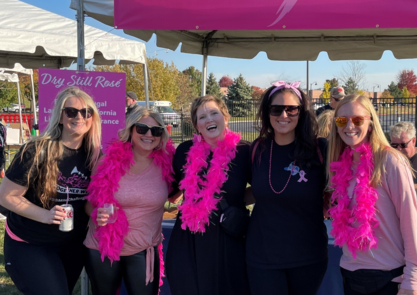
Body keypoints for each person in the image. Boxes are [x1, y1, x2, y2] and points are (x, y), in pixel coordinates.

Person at [0, 86, 101, 295]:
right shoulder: (36, 150)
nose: (79, 117)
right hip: (30, 242)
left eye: (86, 112)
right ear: (61, 117)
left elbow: (90, 202)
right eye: (71, 111)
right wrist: (46, 215)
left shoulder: (95, 156)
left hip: (72, 245)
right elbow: (6, 196)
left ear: (93, 117)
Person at [328, 94, 417, 295]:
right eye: (341, 120)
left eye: (357, 120)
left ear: (370, 124)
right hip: (350, 272)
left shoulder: (390, 161)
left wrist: (412, 279)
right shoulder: (341, 164)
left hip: (387, 276)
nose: (349, 126)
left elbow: (410, 220)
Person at [246, 81, 328, 295]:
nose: (284, 115)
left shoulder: (320, 149)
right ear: (267, 113)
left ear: (301, 113)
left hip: (308, 256)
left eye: (291, 109)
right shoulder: (257, 149)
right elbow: (249, 191)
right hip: (262, 255)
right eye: (276, 109)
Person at [84, 106, 175, 295]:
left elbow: (178, 192)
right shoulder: (106, 162)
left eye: (156, 131)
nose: (149, 135)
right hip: (103, 246)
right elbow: (89, 204)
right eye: (142, 128)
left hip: (143, 250)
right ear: (131, 130)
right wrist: (95, 213)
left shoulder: (168, 163)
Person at [166, 95, 251, 295]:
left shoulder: (244, 151)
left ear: (225, 117)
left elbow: (261, 188)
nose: (209, 119)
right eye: (202, 117)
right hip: (188, 237)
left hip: (227, 236)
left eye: (214, 113)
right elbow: (174, 189)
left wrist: (237, 200)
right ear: (196, 125)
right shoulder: (185, 150)